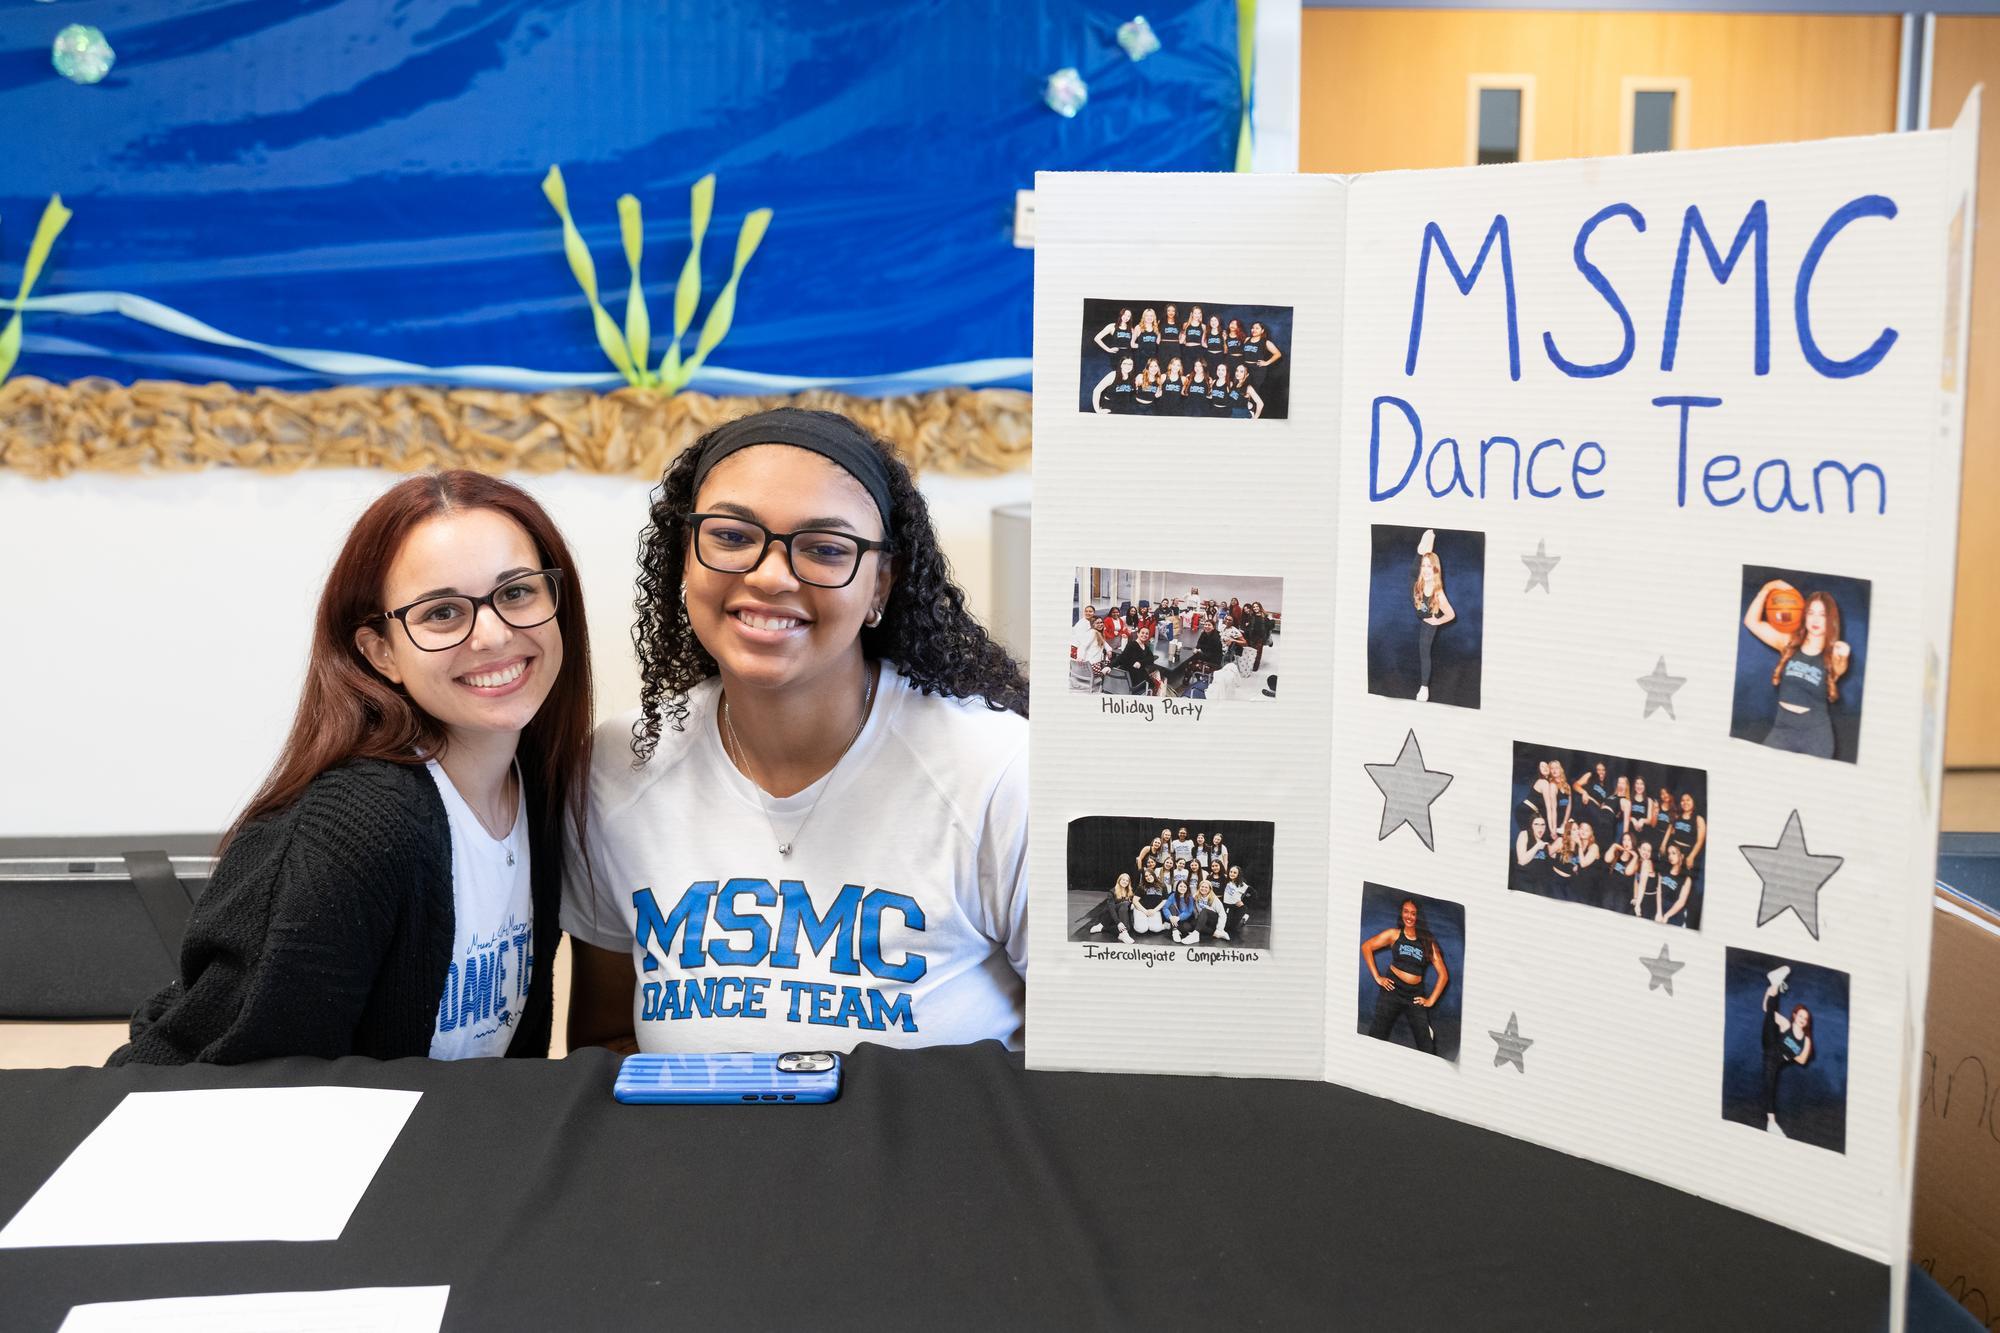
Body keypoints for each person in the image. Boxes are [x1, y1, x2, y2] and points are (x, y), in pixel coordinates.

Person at [564, 408, 1030, 1053]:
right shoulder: (618, 765)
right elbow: (609, 1044)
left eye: (826, 549)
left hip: (935, 1154)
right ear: (685, 558)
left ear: (880, 585)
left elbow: (1083, 1065)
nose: (771, 575)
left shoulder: (1000, 772)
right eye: (731, 536)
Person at [110, 472, 594, 1065]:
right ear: (381, 652)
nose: (493, 635)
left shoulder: (536, 783)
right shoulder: (357, 831)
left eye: (517, 593)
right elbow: (219, 1083)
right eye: (442, 612)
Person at [1743, 581, 1852, 759]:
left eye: (1822, 615)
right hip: (1782, 730)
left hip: (1815, 736)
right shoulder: (1789, 642)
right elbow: (1751, 622)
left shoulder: (1834, 653)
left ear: (1830, 619)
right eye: (1811, 613)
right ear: (1804, 616)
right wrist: (1768, 588)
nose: (1815, 620)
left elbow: (1840, 668)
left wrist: (1844, 656)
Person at [1363, 899, 1448, 1055]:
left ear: (1418, 917)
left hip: (1414, 994)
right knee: (1376, 1034)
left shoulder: (1428, 942)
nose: (1409, 916)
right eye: (1406, 911)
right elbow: (1366, 946)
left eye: (1413, 913)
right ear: (1401, 913)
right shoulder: (1394, 934)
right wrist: (1377, 977)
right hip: (1392, 990)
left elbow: (1443, 974)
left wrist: (1431, 1000)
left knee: (1426, 1046)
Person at [1760, 966, 1814, 1136]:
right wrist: (1769, 992)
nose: (1802, 1020)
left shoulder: (1806, 1040)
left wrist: (1790, 1051)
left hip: (1775, 1060)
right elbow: (1766, 1009)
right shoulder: (1786, 1025)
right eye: (1800, 1016)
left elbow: (1802, 1060)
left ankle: (1771, 1123)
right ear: (1795, 1016)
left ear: (1806, 1022)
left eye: (1805, 1019)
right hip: (1770, 1043)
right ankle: (1774, 983)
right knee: (1770, 1014)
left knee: (1770, 1084)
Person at [1411, 531, 1456, 702]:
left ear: (1436, 569)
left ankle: (1424, 686)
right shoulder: (1418, 582)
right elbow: (1416, 574)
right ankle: (1424, 548)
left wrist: (1437, 620)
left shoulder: (1438, 594)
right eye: (1424, 566)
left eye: (1430, 567)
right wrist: (1422, 558)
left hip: (1428, 622)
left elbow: (1451, 614)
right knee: (1411, 573)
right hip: (1418, 605)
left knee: (1424, 650)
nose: (1426, 570)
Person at [1110, 625, 1165, 696]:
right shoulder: (1131, 644)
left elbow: (1151, 658)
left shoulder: (1145, 646)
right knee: (1153, 682)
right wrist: (1109, 666)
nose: (1144, 635)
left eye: (1146, 634)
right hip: (1133, 677)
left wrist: (1141, 663)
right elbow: (1121, 658)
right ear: (1138, 634)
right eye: (1142, 633)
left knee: (1154, 677)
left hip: (1138, 673)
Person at [1082, 872, 1136, 944]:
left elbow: (1129, 906)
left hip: (1122, 915)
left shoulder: (1129, 892)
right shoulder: (1112, 891)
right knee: (1124, 904)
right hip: (1110, 915)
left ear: (1129, 883)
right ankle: (1124, 933)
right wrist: (1118, 922)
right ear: (1119, 880)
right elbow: (1111, 909)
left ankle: (1102, 927)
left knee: (1128, 927)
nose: (1125, 882)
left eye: (1127, 881)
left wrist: (1132, 905)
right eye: (1123, 880)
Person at [1069, 603, 1107, 692]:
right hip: (1077, 646)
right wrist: (1080, 656)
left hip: (1082, 648)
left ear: (1094, 613)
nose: (1088, 613)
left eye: (1090, 611)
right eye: (1086, 611)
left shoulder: (1094, 626)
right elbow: (1083, 643)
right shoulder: (1086, 626)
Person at [1220, 865, 1249, 940]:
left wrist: (1243, 901)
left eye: (1235, 872)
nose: (1232, 874)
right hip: (1226, 906)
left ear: (1238, 874)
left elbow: (1253, 894)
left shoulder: (1242, 885)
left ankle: (1243, 918)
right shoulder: (1226, 880)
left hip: (1236, 907)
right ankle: (1241, 919)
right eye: (1231, 872)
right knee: (1226, 927)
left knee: (1233, 929)